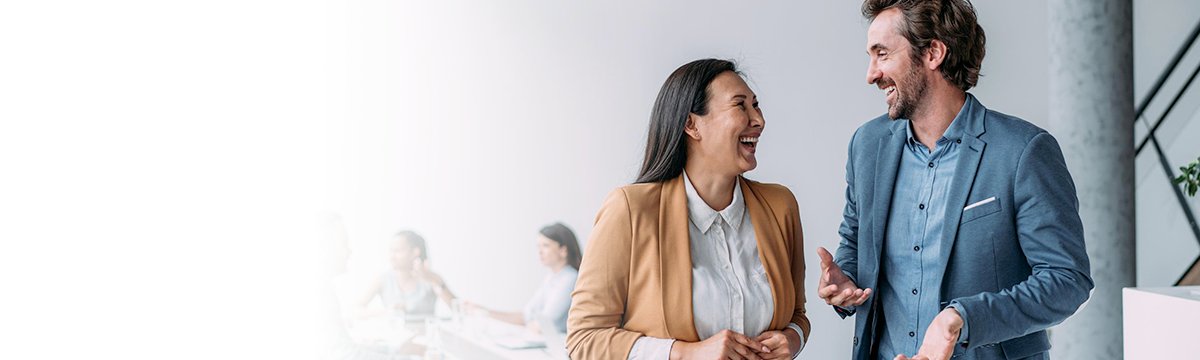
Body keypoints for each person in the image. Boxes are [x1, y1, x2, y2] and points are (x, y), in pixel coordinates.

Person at [818, 1, 1094, 359]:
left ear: (933, 52)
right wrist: (846, 281)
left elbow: (1067, 280)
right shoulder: (866, 146)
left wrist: (963, 318)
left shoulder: (1024, 151)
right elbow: (854, 241)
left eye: (882, 54)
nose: (871, 74)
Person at [568, 59, 810, 360]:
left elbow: (797, 313)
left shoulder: (780, 206)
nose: (758, 119)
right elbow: (584, 339)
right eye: (740, 106)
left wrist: (794, 338)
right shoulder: (629, 211)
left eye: (755, 105)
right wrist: (683, 353)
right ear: (691, 124)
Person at [466, 222, 582, 334]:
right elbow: (526, 316)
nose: (540, 252)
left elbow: (544, 323)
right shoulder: (552, 277)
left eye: (545, 246)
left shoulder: (570, 278)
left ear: (563, 250)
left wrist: (533, 324)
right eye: (538, 246)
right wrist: (485, 311)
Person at [356, 230, 455, 320]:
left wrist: (433, 280)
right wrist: (387, 312)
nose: (391, 257)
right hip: (395, 338)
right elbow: (356, 310)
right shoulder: (383, 279)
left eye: (397, 251)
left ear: (415, 252)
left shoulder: (432, 279)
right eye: (391, 251)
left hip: (425, 338)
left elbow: (457, 309)